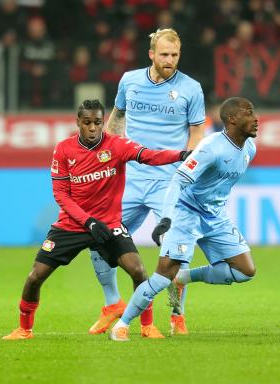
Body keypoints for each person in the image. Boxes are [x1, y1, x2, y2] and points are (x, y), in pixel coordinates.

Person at [2, 99, 192, 340]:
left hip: (109, 224)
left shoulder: (117, 145)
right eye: (87, 123)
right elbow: (61, 194)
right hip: (71, 225)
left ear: (103, 123)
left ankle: (147, 326)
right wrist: (88, 221)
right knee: (34, 277)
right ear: (78, 122)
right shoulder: (63, 149)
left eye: (98, 123)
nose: (93, 128)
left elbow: (149, 156)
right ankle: (24, 329)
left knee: (139, 271)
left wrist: (181, 154)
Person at [87, 28, 206, 338]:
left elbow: (196, 134)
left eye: (175, 55)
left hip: (168, 181)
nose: (170, 60)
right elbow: (116, 120)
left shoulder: (191, 89)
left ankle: (177, 314)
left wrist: (188, 167)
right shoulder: (130, 81)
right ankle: (112, 303)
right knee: (99, 237)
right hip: (130, 177)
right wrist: (105, 154)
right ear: (151, 54)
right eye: (164, 54)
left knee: (174, 252)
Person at [109, 97, 258, 342]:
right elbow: (178, 180)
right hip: (186, 212)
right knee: (160, 278)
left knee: (245, 271)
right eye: (249, 113)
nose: (256, 118)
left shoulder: (250, 148)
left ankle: (184, 277)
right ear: (232, 119)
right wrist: (166, 219)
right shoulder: (211, 147)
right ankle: (122, 325)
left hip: (215, 215)